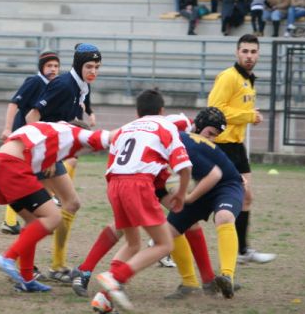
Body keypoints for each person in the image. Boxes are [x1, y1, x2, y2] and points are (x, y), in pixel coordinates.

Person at [93, 89, 192, 312]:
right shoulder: (166, 125)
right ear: (162, 111)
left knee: (133, 243)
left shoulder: (125, 128)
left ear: (138, 113)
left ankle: (104, 297)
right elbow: (185, 168)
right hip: (137, 185)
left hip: (114, 185)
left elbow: (113, 163)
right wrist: (181, 193)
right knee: (164, 244)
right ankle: (117, 276)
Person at [0, 121, 113, 293]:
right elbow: (108, 136)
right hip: (11, 166)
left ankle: (27, 280)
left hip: (0, 164)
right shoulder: (73, 134)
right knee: (53, 217)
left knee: (33, 222)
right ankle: (8, 257)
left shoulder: (53, 130)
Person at [25, 44, 102, 283]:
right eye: (89, 66)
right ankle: (23, 265)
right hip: (38, 154)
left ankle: (57, 265)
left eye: (97, 67)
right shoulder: (63, 84)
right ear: (79, 66)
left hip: (50, 154)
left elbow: (61, 121)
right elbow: (32, 117)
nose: (93, 71)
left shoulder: (82, 87)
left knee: (71, 204)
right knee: (36, 215)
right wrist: (46, 155)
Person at [208, 34, 276, 265]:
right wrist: (248, 116)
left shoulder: (248, 79)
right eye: (245, 51)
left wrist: (248, 115)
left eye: (253, 52)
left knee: (246, 197)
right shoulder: (228, 77)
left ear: (258, 54)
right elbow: (215, 110)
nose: (249, 56)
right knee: (204, 201)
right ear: (237, 52)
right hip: (221, 145)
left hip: (236, 146)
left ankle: (242, 250)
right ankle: (166, 242)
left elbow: (236, 107)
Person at [164, 110, 244, 300]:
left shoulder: (188, 143)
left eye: (215, 136)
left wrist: (189, 199)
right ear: (197, 126)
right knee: (168, 232)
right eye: (209, 134)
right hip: (200, 187)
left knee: (224, 216)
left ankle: (227, 277)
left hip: (226, 185)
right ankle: (189, 283)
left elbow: (215, 174)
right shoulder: (178, 140)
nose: (212, 140)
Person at [0, 51, 60, 235]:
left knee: (35, 176)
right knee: (29, 177)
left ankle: (13, 219)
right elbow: (13, 104)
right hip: (23, 138)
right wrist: (7, 128)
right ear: (41, 67)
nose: (53, 69)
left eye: (56, 66)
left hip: (36, 138)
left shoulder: (53, 86)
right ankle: (50, 204)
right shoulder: (35, 82)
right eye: (49, 66)